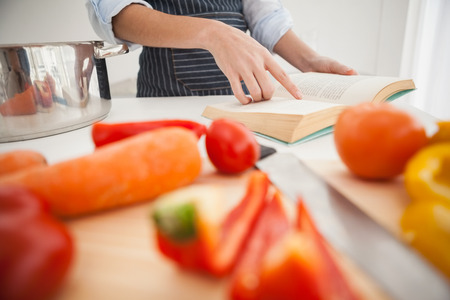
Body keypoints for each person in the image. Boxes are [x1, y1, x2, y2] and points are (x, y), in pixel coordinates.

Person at [86, 0, 357, 104]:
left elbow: (266, 17)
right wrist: (212, 33)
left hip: (240, 105)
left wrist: (310, 60)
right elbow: (117, 15)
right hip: (165, 103)